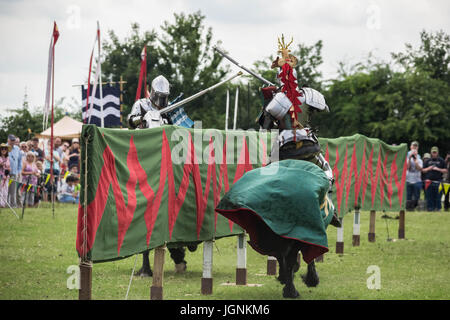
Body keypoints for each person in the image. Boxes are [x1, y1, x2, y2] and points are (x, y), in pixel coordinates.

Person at [128, 74, 195, 277]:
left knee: (170, 209)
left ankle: (179, 253)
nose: (161, 101)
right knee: (144, 212)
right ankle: (146, 264)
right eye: (159, 96)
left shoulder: (171, 110)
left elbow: (181, 131)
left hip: (167, 162)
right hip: (144, 160)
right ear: (152, 91)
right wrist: (144, 118)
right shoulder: (140, 104)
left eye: (165, 97)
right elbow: (130, 123)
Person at [422, 146, 447, 211]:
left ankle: (438, 208)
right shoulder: (427, 161)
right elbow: (423, 170)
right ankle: (430, 209)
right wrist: (429, 168)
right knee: (429, 197)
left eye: (435, 152)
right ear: (431, 153)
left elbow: (445, 170)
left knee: (438, 197)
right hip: (428, 181)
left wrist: (438, 169)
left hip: (438, 181)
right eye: (433, 152)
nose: (434, 154)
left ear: (437, 153)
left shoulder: (441, 160)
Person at [406, 141, 423, 211]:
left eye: (416, 146)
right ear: (410, 147)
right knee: (408, 196)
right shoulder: (407, 156)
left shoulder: (419, 158)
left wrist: (415, 160)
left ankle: (415, 207)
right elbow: (408, 168)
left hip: (417, 180)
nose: (414, 148)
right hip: (408, 180)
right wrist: (410, 158)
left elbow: (420, 168)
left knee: (416, 196)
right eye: (413, 146)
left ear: (417, 148)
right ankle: (409, 209)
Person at [7, 134, 22, 207]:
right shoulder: (4, 147)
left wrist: (19, 171)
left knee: (13, 190)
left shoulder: (17, 149)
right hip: (5, 173)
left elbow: (19, 161)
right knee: (5, 189)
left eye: (14, 140)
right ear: (8, 140)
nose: (12, 142)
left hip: (14, 173)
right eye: (11, 140)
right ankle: (4, 204)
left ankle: (13, 205)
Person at [0, 143, 11, 208]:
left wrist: (9, 169)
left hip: (6, 176)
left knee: (5, 190)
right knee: (0, 190)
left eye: (5, 149)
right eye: (2, 148)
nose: (4, 150)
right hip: (0, 176)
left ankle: (3, 204)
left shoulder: (8, 158)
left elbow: (9, 167)